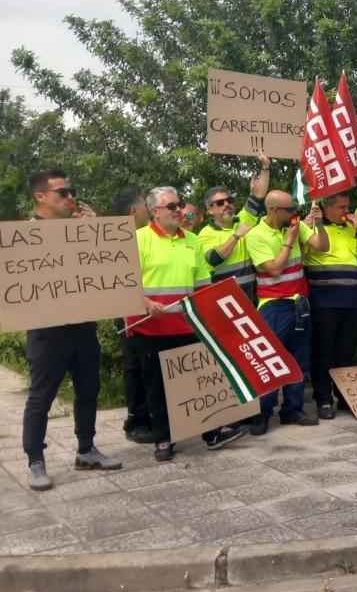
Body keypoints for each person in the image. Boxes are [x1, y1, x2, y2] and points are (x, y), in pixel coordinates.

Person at [126, 186, 245, 461]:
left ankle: (212, 432)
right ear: (154, 212)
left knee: (197, 383)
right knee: (156, 385)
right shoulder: (137, 239)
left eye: (178, 205)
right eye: (171, 206)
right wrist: (145, 303)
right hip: (149, 327)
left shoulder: (192, 239)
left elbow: (203, 284)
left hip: (187, 324)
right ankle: (163, 439)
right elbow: (123, 282)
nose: (179, 210)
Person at [22, 170, 121, 490]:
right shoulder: (23, 237)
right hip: (47, 331)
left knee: (88, 389)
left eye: (71, 192)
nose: (70, 198)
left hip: (83, 326)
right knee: (41, 398)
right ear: (41, 197)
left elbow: (107, 268)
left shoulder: (79, 231)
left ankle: (86, 450)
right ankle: (35, 460)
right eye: (63, 193)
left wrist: (95, 232)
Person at [244, 190, 330, 433]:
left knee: (299, 359)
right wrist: (290, 241)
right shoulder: (257, 235)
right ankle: (262, 412)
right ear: (274, 211)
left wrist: (319, 223)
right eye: (290, 209)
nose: (295, 213)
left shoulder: (296, 226)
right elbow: (273, 269)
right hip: (273, 304)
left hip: (299, 302)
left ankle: (292, 409)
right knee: (270, 360)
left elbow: (322, 246)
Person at [305, 191, 357, 419]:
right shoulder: (313, 227)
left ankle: (345, 396)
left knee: (346, 351)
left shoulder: (353, 228)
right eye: (342, 207)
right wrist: (309, 222)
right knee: (323, 351)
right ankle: (323, 398)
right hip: (323, 299)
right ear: (327, 207)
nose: (347, 211)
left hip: (351, 298)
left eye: (348, 206)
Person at [197, 150, 270, 302]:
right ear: (210, 210)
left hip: (254, 299)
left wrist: (265, 167)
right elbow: (213, 259)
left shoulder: (243, 218)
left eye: (229, 200)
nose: (227, 205)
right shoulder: (206, 233)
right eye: (220, 203)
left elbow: (258, 195)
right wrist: (237, 235)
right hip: (227, 304)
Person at [111, 186, 153, 444]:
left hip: (150, 311)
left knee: (149, 365)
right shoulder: (116, 240)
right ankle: (136, 421)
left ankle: (151, 414)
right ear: (133, 211)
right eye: (146, 206)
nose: (149, 211)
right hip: (128, 312)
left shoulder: (148, 236)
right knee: (135, 367)